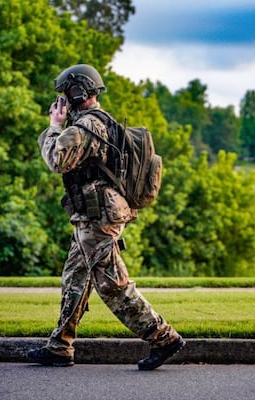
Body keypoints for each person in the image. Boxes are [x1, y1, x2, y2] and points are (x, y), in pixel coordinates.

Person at [27, 64, 184, 370]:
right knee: (75, 277)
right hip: (95, 213)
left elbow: (57, 159)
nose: (63, 101)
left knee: (112, 284)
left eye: (65, 94)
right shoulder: (104, 122)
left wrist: (54, 126)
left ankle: (163, 337)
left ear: (78, 91)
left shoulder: (85, 127)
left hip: (99, 216)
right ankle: (60, 345)